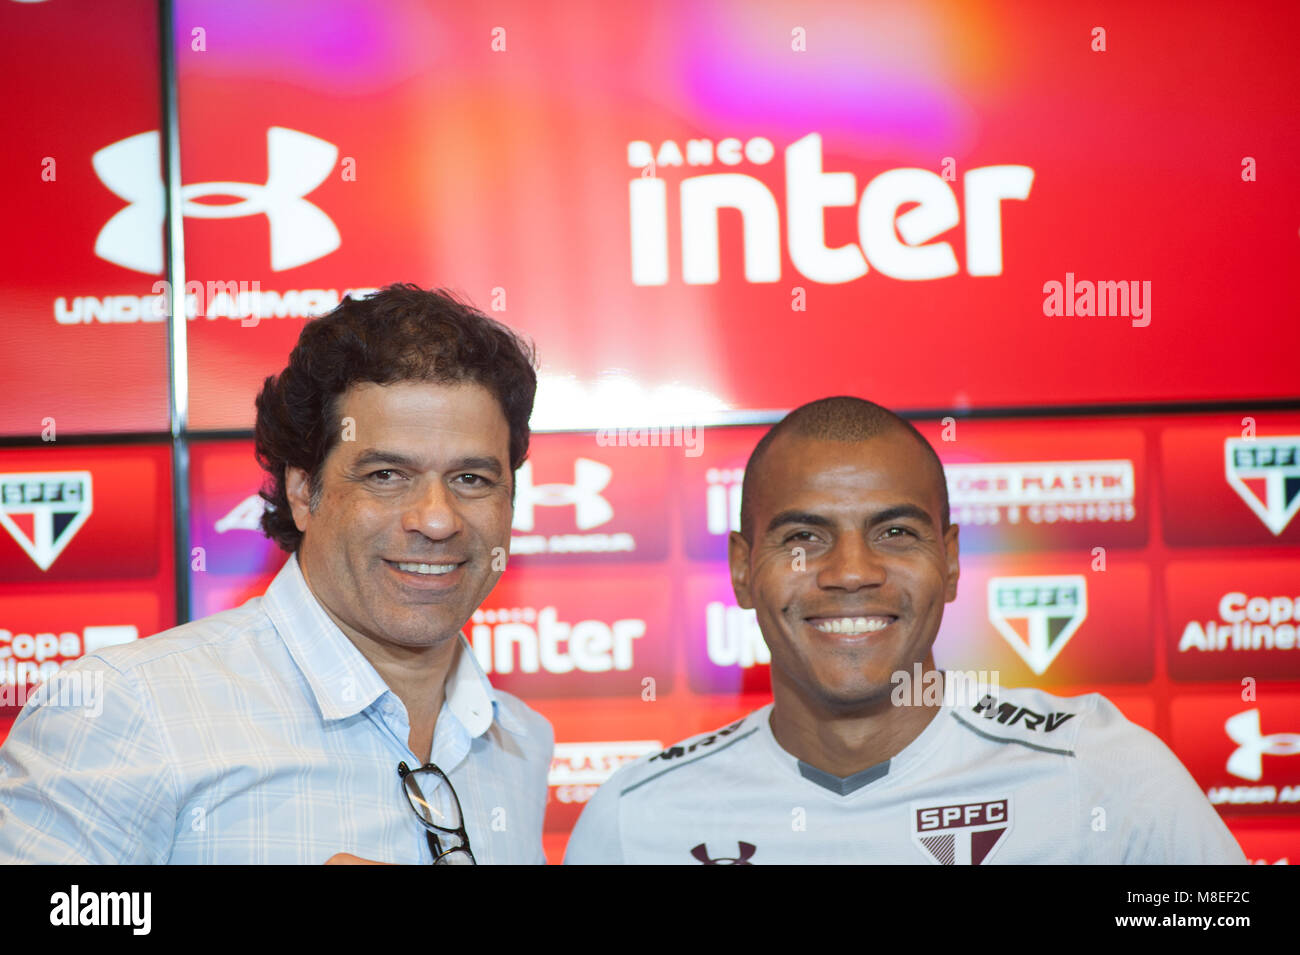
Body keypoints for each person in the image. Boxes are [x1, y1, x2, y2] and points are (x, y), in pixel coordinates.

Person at [0, 284, 553, 864]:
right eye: (387, 475)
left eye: (472, 479)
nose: (437, 520)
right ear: (302, 491)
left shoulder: (519, 742)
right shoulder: (128, 708)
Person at [564, 396, 1245, 864]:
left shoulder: (1098, 772)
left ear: (949, 562)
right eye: (804, 535)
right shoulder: (636, 821)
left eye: (894, 532)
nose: (852, 571)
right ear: (744, 570)